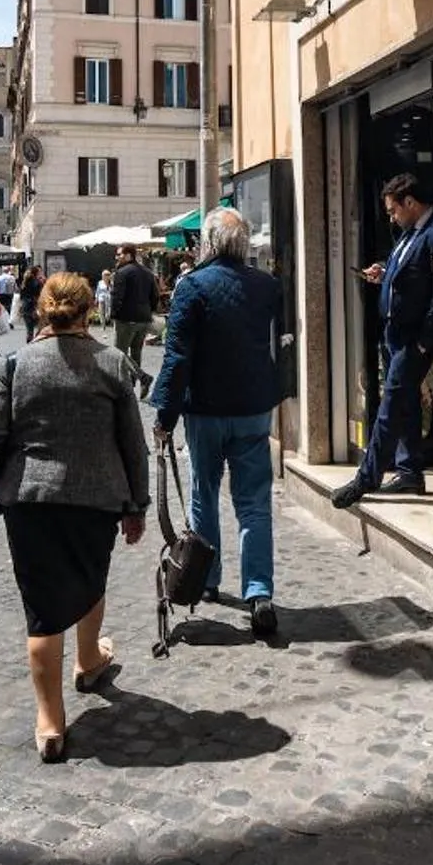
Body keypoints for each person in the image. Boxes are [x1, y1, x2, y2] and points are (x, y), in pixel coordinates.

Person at [0, 273, 150, 763]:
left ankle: (50, 722)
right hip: (96, 498)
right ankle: (90, 661)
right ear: (90, 311)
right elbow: (134, 446)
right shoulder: (113, 364)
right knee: (90, 580)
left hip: (29, 499)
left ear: (41, 311)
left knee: (42, 608)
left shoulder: (17, 363)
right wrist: (138, 505)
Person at [150, 207, 286, 637]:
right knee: (254, 502)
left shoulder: (191, 287)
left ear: (208, 243)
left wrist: (164, 417)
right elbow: (281, 344)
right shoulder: (267, 286)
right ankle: (259, 592)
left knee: (202, 493)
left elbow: (176, 359)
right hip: (252, 408)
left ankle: (207, 579)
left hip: (205, 411)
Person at [334, 171, 433, 507]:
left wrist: (425, 341)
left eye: (393, 210)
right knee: (406, 405)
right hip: (394, 335)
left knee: (390, 406)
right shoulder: (408, 235)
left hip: (414, 340)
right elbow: (405, 273)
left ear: (410, 202)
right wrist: (384, 273)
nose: (391, 217)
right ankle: (409, 472)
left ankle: (366, 478)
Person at [108, 245, 159, 393]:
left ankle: (141, 377)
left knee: (119, 352)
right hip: (143, 318)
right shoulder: (148, 273)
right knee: (136, 351)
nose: (117, 257)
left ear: (129, 255)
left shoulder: (122, 272)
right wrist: (149, 311)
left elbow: (117, 297)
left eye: (119, 254)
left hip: (126, 318)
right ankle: (132, 383)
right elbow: (155, 296)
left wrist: (114, 315)